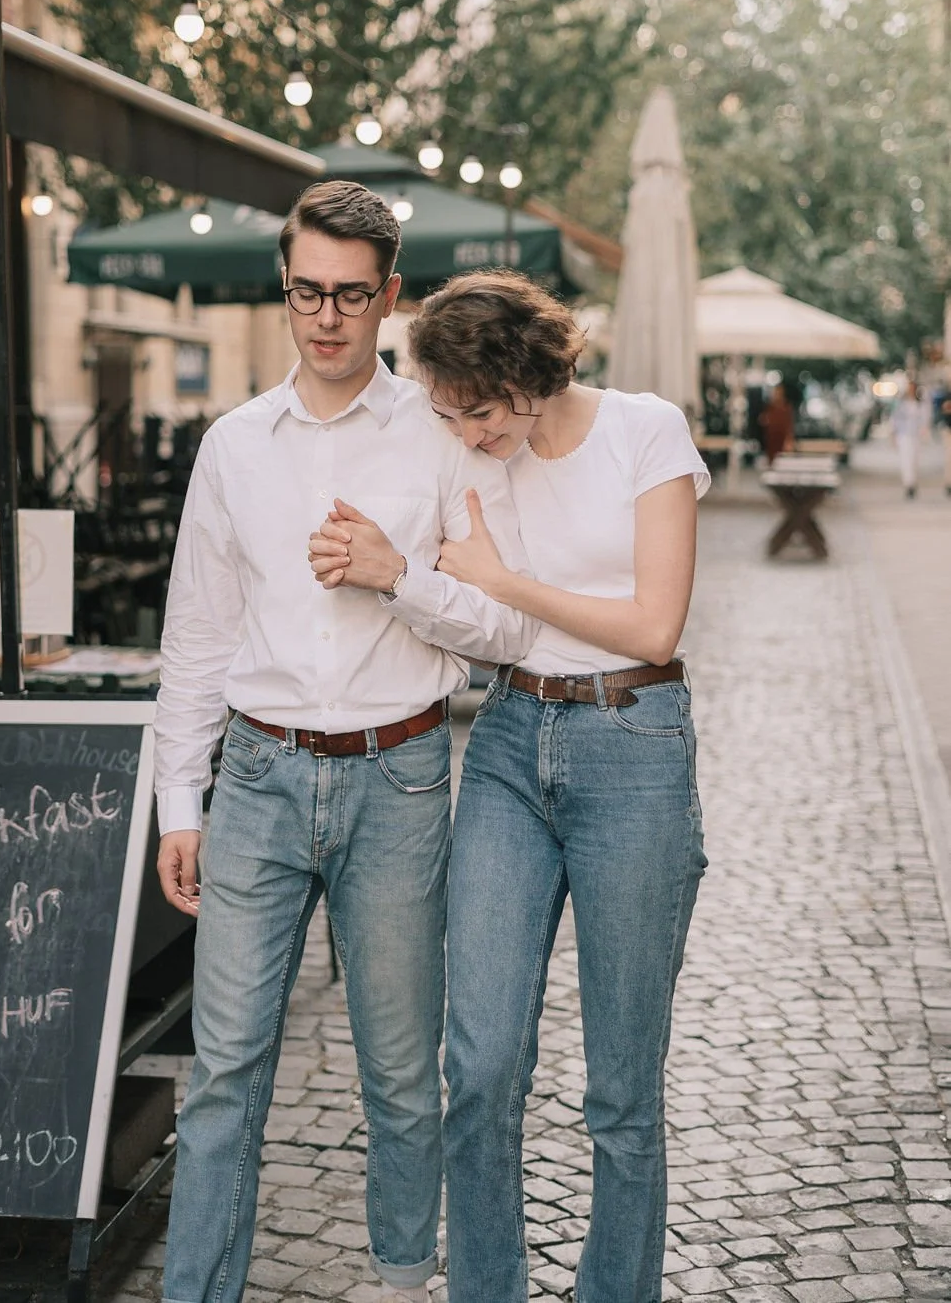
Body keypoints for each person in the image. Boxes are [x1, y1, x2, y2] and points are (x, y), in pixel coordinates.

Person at [153, 185, 535, 1303]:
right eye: (307, 291)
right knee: (223, 1073)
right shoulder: (232, 447)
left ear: (391, 298)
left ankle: (399, 1281)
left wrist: (396, 575)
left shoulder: (441, 438)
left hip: (401, 777)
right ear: (287, 290)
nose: (327, 316)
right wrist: (184, 801)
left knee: (403, 1078)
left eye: (351, 294)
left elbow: (503, 626)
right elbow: (198, 635)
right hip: (259, 780)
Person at [310, 271, 710, 1303]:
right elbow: (470, 614)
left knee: (622, 1088)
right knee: (479, 1065)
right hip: (507, 742)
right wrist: (402, 567)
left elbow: (652, 625)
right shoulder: (470, 455)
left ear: (530, 372)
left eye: (478, 410)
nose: (468, 432)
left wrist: (505, 583)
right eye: (446, 411)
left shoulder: (645, 431)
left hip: (635, 744)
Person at [891, 380, 929, 499]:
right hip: (904, 434)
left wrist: (924, 431)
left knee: (914, 460)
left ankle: (913, 482)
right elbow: (895, 419)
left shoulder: (920, 404)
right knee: (905, 460)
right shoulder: (901, 403)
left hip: (916, 435)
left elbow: (925, 419)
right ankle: (908, 484)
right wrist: (893, 434)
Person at [758, 381, 795, 464]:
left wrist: (789, 440)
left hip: (782, 440)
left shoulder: (786, 407)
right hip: (771, 440)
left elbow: (789, 425)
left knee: (783, 461)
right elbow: (763, 421)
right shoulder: (769, 407)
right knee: (772, 462)